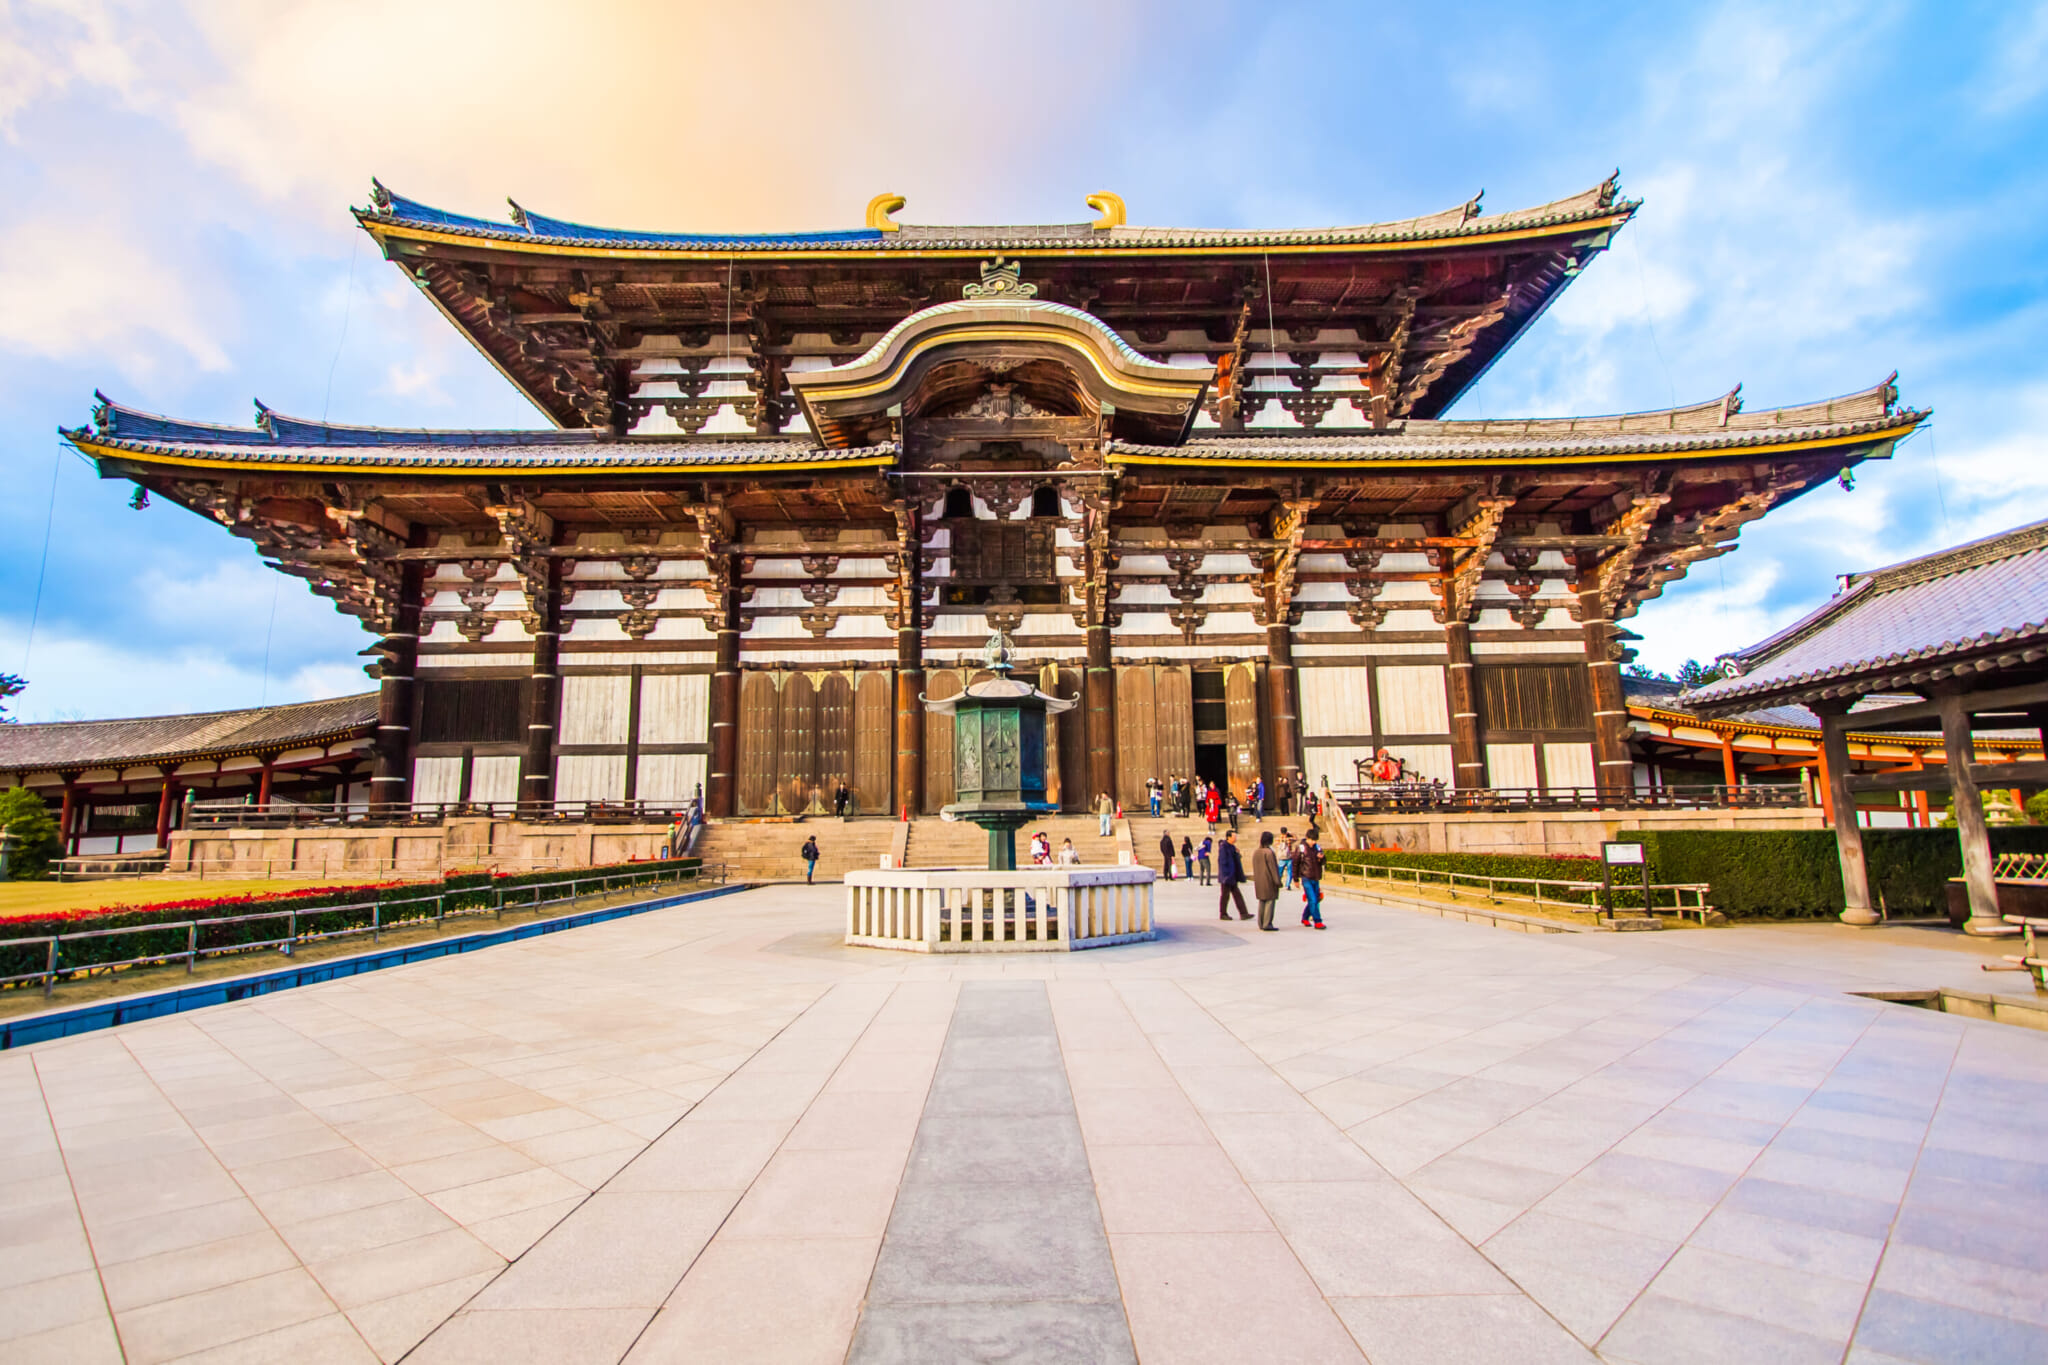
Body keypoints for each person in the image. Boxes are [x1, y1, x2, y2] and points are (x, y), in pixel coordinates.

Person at [1216, 830, 1251, 921]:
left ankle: (1244, 913)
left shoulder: (1232, 847)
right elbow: (1222, 862)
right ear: (1229, 837)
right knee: (1225, 895)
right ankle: (1223, 913)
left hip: (1232, 875)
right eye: (1234, 836)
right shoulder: (1224, 847)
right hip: (1227, 876)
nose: (1235, 838)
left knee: (1237, 894)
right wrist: (1226, 875)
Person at [1251, 830, 1282, 931]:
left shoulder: (1256, 852)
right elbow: (1273, 869)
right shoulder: (1269, 853)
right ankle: (1267, 923)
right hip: (1268, 880)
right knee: (1269, 901)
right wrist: (1277, 881)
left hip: (1259, 880)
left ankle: (1261, 922)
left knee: (1262, 901)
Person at [1297, 830, 1326, 929]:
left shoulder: (1317, 847)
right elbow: (1295, 863)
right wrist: (1295, 879)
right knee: (1312, 899)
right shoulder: (1301, 848)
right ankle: (1317, 921)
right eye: (1312, 840)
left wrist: (1321, 858)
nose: (1313, 842)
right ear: (1307, 838)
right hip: (1306, 877)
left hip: (1316, 876)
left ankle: (1305, 917)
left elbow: (1324, 861)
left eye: (1315, 840)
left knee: (1315, 899)